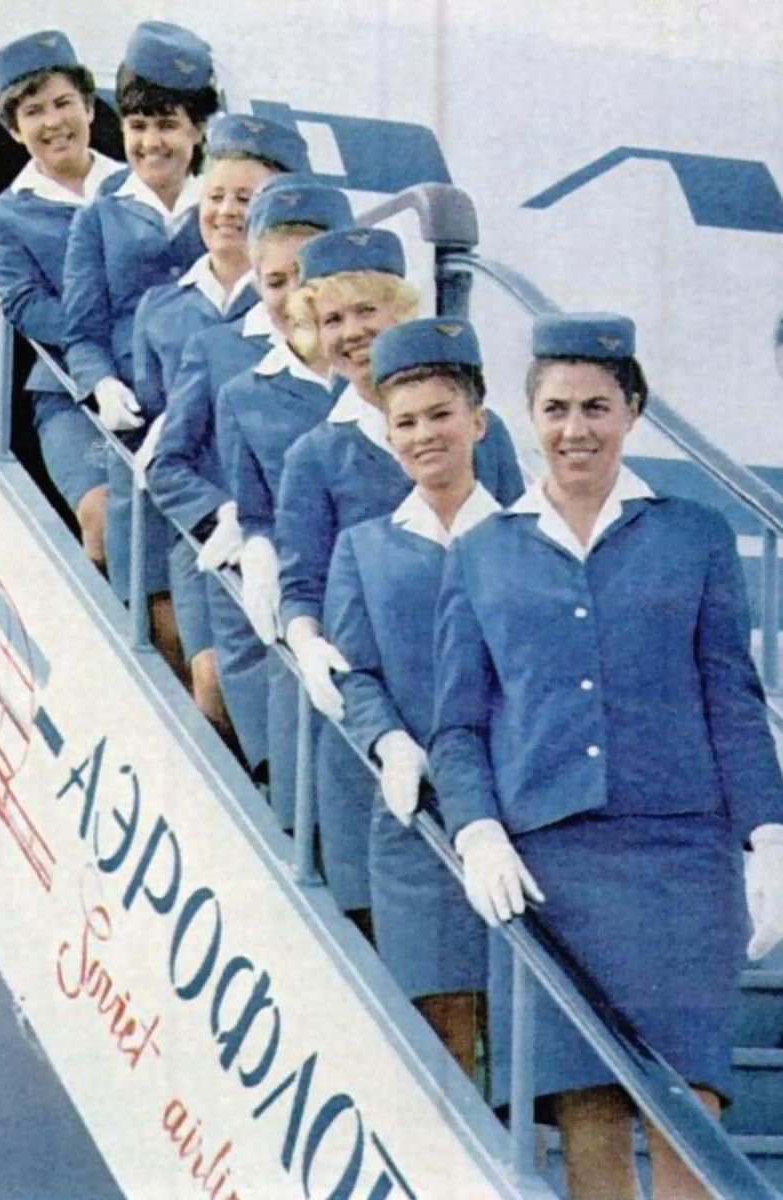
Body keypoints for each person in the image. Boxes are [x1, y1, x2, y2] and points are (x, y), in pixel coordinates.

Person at [429, 311, 783, 1200]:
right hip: (550, 865)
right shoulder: (481, 551)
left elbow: (731, 696)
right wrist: (477, 830)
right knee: (588, 1124)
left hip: (681, 861)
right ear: (528, 418)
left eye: (596, 407)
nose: (574, 429)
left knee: (688, 1119)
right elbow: (458, 724)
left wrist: (770, 833)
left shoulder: (694, 535)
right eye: (555, 409)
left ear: (632, 412)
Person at [275, 227, 524, 924]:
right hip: (378, 703)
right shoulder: (314, 454)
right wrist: (306, 641)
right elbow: (301, 583)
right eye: (333, 319)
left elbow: (517, 545)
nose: (353, 333)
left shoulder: (482, 433)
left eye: (367, 311)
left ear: (401, 313)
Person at [323, 317, 493, 1073]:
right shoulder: (364, 547)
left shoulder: (532, 536)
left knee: (524, 1033)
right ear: (389, 437)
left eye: (440, 415)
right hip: (416, 813)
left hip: (523, 809)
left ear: (478, 422)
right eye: (406, 422)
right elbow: (355, 672)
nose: (424, 435)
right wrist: (389, 740)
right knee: (439, 1030)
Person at [142, 116, 310, 745]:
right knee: (215, 684)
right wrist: (224, 516)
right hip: (217, 543)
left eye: (248, 198)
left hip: (305, 553)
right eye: (217, 194)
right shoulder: (214, 343)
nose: (228, 211)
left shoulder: (347, 343)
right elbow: (164, 457)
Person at [62, 20, 219, 669]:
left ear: (198, 130)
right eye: (137, 125)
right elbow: (81, 330)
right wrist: (100, 383)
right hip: (137, 427)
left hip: (212, 426)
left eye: (167, 125)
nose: (151, 142)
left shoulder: (223, 208)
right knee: (155, 606)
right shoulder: (98, 215)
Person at [214, 177, 354, 824]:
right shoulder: (244, 393)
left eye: (312, 276)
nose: (296, 296)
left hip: (394, 607)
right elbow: (253, 506)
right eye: (276, 281)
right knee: (305, 802)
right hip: (304, 603)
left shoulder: (403, 384)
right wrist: (257, 543)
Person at [0, 30, 122, 569]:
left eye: (64, 103)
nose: (53, 122)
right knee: (104, 518)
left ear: (89, 108)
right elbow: (26, 305)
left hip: (161, 375)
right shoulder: (4, 217)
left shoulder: (138, 185)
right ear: (16, 131)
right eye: (33, 112)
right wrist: (108, 337)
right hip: (70, 391)